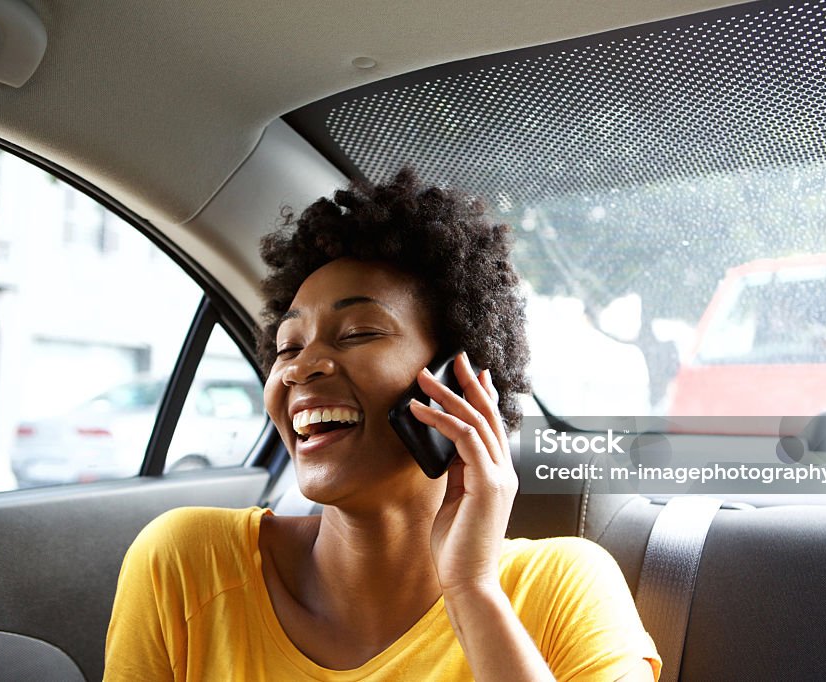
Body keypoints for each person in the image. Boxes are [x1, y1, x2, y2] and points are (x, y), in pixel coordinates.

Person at [104, 168, 662, 681]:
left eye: (359, 333)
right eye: (288, 346)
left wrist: (472, 591)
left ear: (460, 381)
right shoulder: (183, 562)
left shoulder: (566, 587)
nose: (300, 366)